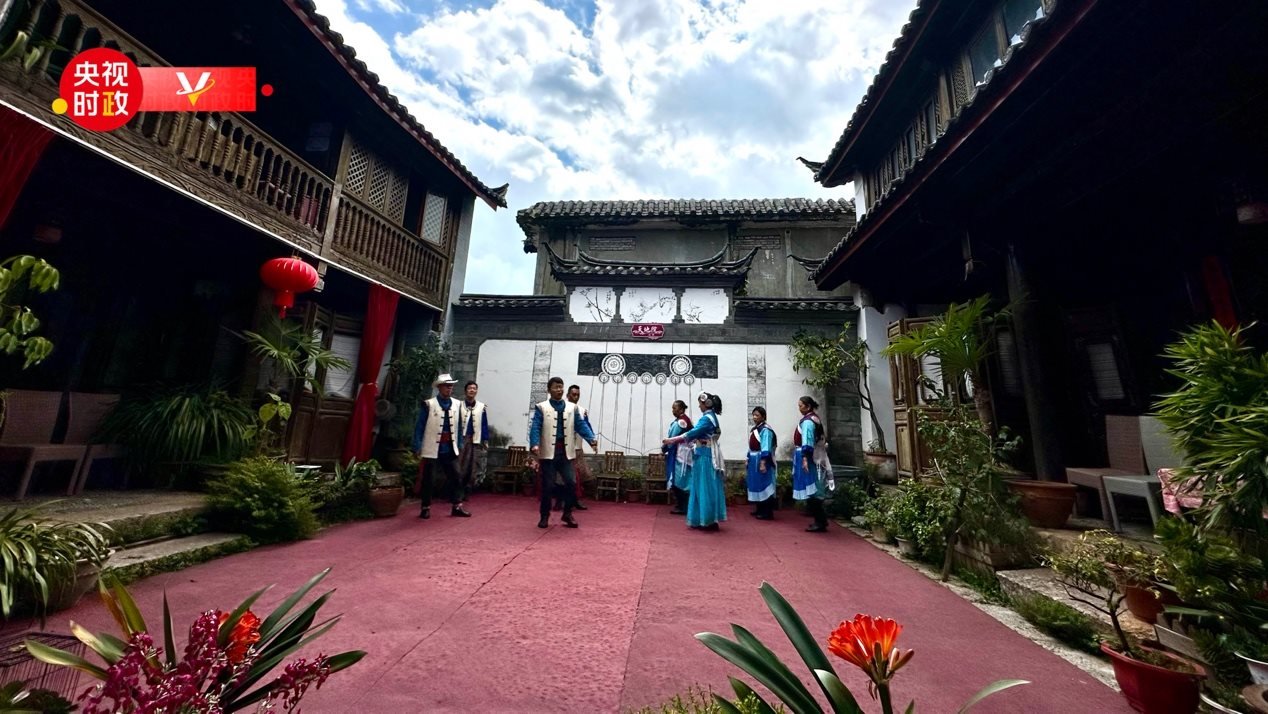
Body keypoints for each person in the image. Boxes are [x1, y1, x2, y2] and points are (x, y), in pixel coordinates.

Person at [529, 376, 599, 529]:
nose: (559, 390)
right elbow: (535, 427)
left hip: (566, 452)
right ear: (549, 390)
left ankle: (567, 513)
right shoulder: (541, 407)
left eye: (561, 387)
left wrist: (591, 439)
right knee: (547, 486)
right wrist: (534, 444)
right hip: (548, 453)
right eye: (556, 387)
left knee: (571, 482)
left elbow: (580, 425)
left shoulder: (571, 408)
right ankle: (544, 516)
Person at [663, 392, 727, 531]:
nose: (699, 406)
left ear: (707, 403)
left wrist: (671, 440)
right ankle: (703, 519)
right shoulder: (711, 417)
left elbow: (691, 434)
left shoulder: (707, 419)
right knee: (702, 486)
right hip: (703, 453)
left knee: (704, 487)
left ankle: (708, 521)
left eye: (700, 403)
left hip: (705, 456)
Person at [413, 373, 471, 519]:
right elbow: (420, 426)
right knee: (429, 479)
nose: (449, 388)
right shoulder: (429, 404)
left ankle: (457, 505)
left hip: (449, 447)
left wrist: (459, 443)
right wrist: (417, 445)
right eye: (446, 386)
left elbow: (459, 426)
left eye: (451, 386)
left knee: (457, 476)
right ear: (439, 387)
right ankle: (425, 507)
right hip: (432, 446)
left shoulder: (457, 404)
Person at [792, 395, 834, 533]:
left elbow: (808, 440)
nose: (799, 408)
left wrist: (804, 457)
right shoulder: (814, 418)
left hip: (811, 457)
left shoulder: (808, 422)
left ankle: (820, 521)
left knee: (813, 488)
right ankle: (820, 520)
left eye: (801, 406)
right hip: (816, 455)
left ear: (808, 406)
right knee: (814, 487)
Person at [457, 381, 490, 493]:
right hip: (462, 439)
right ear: (465, 391)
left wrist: (485, 439)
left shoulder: (481, 407)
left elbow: (484, 424)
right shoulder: (459, 405)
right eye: (470, 388)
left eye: (474, 388)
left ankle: (468, 488)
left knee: (473, 465)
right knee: (460, 464)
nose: (472, 390)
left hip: (475, 439)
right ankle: (457, 488)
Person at [662, 400, 693, 515]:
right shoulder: (685, 420)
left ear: (681, 409)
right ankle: (683, 505)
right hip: (682, 453)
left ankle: (682, 506)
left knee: (677, 479)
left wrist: (664, 448)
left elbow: (672, 437)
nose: (673, 410)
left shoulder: (681, 422)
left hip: (679, 454)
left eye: (674, 408)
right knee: (682, 479)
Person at [564, 384, 591, 511]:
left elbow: (586, 427)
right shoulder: (560, 408)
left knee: (578, 476)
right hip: (564, 447)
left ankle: (575, 499)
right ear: (568, 395)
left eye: (578, 395)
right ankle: (562, 500)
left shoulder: (582, 410)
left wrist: (591, 440)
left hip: (577, 447)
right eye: (573, 394)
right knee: (563, 476)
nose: (576, 397)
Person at [747, 406, 778, 520]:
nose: (754, 417)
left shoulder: (766, 430)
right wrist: (748, 458)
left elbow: (766, 447)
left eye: (757, 415)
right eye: (753, 415)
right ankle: (759, 508)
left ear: (763, 416)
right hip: (753, 459)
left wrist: (763, 462)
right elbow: (751, 446)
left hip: (761, 459)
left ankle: (767, 511)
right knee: (756, 484)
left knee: (764, 484)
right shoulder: (755, 429)